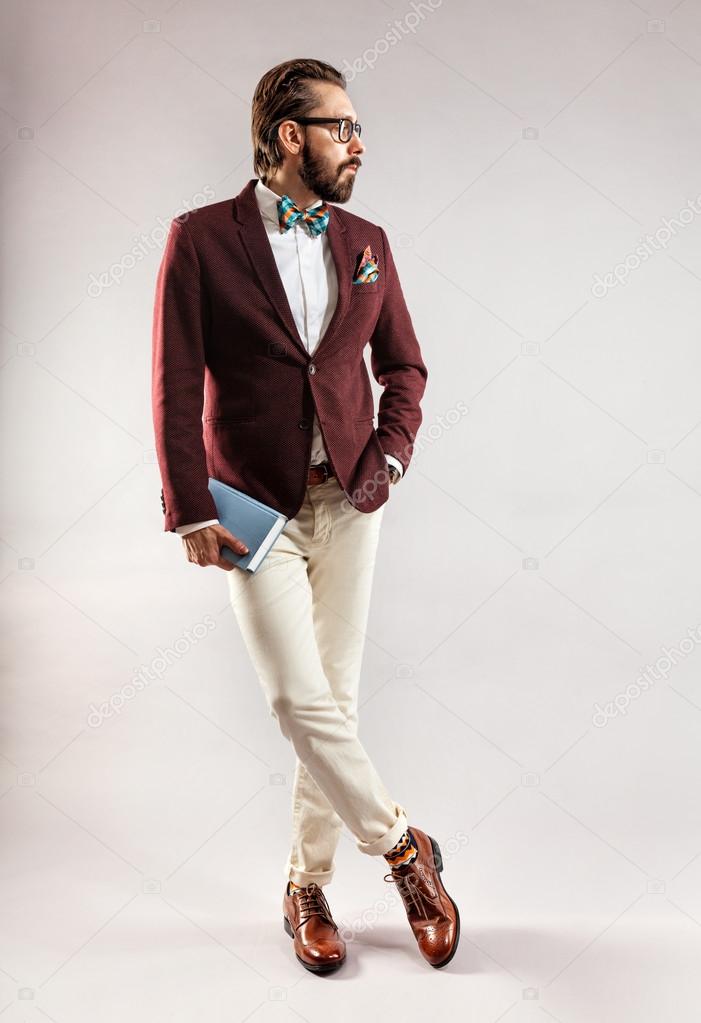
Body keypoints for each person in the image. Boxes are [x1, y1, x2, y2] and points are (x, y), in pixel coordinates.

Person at [151, 57, 459, 973]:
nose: (358, 144)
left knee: (336, 699)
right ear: (290, 136)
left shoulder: (366, 237)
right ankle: (406, 850)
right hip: (247, 502)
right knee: (296, 698)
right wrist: (188, 508)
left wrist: (390, 456)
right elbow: (172, 387)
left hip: (352, 498)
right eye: (341, 127)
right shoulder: (200, 238)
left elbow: (402, 367)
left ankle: (305, 885)